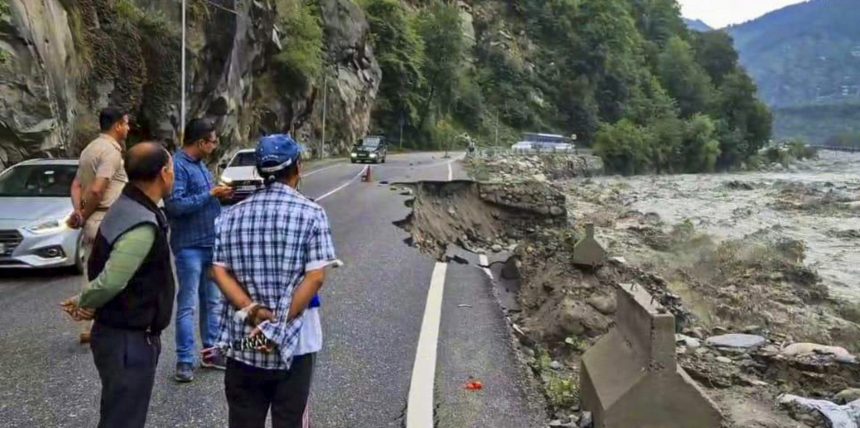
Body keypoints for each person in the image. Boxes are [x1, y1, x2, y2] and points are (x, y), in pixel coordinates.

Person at [204, 134, 339, 428]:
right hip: (296, 342)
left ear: (259, 172)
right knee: (289, 419)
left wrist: (252, 310)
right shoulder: (311, 213)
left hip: (244, 341)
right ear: (298, 169)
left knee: (243, 419)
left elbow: (218, 271)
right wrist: (276, 327)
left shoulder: (230, 216)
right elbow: (315, 278)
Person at [61, 142, 176, 428]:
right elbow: (113, 278)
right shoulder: (141, 221)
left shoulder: (126, 205)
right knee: (124, 419)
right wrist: (84, 300)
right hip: (128, 340)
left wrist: (91, 304)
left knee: (118, 413)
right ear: (164, 173)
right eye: (172, 169)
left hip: (119, 334)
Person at [164, 118, 234, 382]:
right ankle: (184, 359)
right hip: (189, 246)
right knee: (187, 305)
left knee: (212, 301)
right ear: (201, 141)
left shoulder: (203, 167)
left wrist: (221, 196)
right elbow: (175, 205)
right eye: (213, 141)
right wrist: (210, 195)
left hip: (210, 243)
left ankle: (211, 352)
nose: (215, 146)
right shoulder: (177, 166)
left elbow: (206, 200)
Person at [67, 107, 130, 344]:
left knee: (92, 271)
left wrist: (79, 212)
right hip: (108, 218)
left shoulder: (88, 150)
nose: (128, 128)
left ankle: (88, 324)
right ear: (117, 126)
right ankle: (111, 323)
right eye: (126, 123)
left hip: (92, 221)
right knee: (118, 270)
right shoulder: (111, 153)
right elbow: (96, 189)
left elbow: (76, 186)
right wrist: (84, 213)